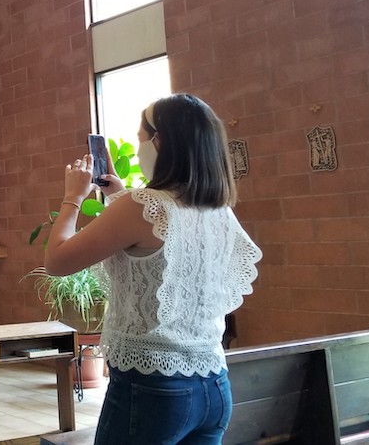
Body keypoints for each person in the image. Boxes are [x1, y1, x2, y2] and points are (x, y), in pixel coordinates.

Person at [44, 93, 262, 444]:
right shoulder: (217, 209)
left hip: (153, 386)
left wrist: (73, 198)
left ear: (161, 142)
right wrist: (119, 195)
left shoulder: (142, 206)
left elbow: (57, 261)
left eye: (140, 138)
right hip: (213, 383)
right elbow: (157, 240)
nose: (138, 145)